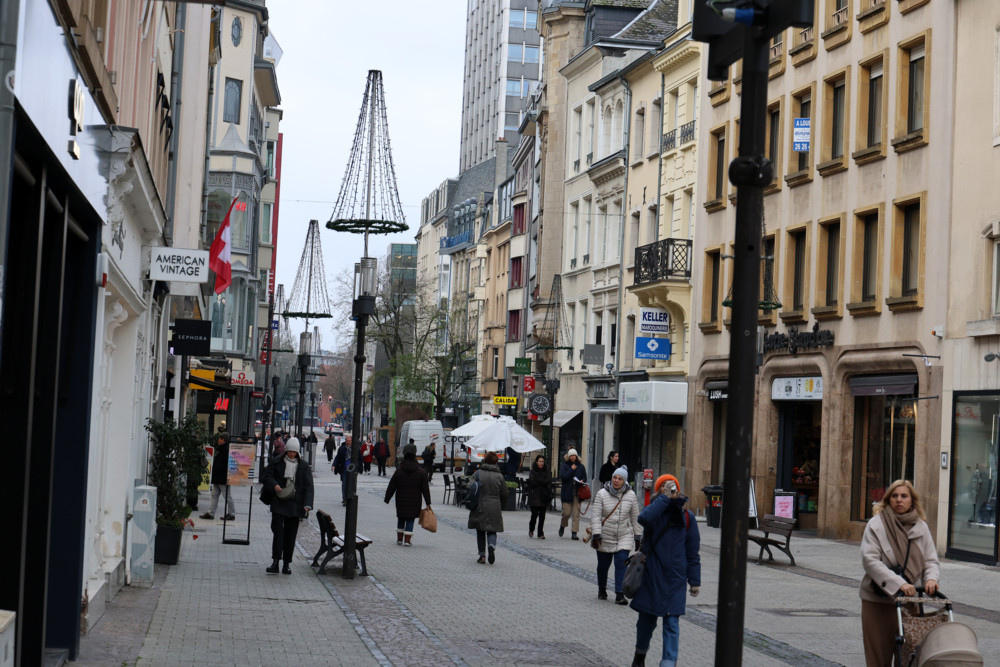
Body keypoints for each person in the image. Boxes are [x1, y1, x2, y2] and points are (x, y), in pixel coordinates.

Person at [860, 479, 940, 667]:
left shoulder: (921, 526)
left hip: (909, 600)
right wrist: (899, 584)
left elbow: (931, 560)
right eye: (894, 496)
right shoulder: (876, 524)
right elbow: (870, 560)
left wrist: (931, 579)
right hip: (879, 600)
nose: (899, 500)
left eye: (904, 496)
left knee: (908, 656)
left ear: (912, 500)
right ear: (888, 499)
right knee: (878, 658)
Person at [629, 474, 701, 667]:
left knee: (671, 624)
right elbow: (643, 518)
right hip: (652, 575)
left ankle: (668, 663)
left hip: (675, 579)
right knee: (646, 621)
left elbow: (692, 552)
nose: (670, 490)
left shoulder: (687, 517)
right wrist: (664, 499)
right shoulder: (654, 512)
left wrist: (695, 581)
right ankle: (640, 654)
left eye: (673, 487)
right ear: (659, 491)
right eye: (665, 487)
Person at [260, 438, 314, 574]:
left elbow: (308, 486)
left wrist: (307, 504)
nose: (291, 454)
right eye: (289, 451)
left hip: (295, 504)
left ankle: (286, 563)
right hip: (279, 501)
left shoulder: (303, 466)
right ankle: (275, 561)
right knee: (278, 532)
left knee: (291, 535)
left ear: (298, 452)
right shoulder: (276, 461)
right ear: (286, 450)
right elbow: (266, 477)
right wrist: (274, 485)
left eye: (294, 452)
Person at [591, 465, 642, 604]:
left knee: (621, 562)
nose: (616, 480)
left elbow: (635, 517)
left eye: (620, 478)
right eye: (615, 477)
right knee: (603, 565)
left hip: (624, 535)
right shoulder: (601, 494)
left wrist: (638, 536)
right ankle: (602, 588)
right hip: (605, 535)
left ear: (624, 481)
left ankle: (620, 594)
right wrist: (596, 534)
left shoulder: (631, 495)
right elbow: (596, 516)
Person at [384, 443, 431, 546]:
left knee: (401, 517)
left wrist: (387, 498)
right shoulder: (421, 472)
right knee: (410, 518)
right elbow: (425, 489)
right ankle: (407, 540)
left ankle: (399, 539)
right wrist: (428, 502)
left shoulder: (399, 471)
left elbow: (392, 486)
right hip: (415, 500)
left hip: (401, 499)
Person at [468, 451, 508, 564]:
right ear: (496, 462)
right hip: (494, 506)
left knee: (480, 530)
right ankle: (491, 545)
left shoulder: (478, 473)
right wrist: (502, 505)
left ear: (485, 460)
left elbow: (470, 486)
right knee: (492, 529)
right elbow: (505, 493)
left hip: (480, 505)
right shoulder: (499, 476)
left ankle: (482, 556)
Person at [200, 431, 236, 521]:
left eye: (219, 438)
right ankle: (211, 513)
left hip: (222, 478)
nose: (218, 440)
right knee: (214, 495)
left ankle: (231, 514)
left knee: (227, 496)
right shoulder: (221, 448)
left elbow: (226, 464)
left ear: (223, 439)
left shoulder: (226, 449)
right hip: (218, 477)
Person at [559, 448, 588, 540]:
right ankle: (563, 525)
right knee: (566, 513)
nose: (572, 457)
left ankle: (574, 532)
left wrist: (582, 480)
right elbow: (564, 477)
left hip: (577, 492)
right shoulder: (565, 466)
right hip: (567, 492)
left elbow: (584, 477)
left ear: (576, 456)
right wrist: (571, 470)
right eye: (571, 455)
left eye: (574, 455)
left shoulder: (581, 466)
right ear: (568, 456)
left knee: (576, 514)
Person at [527, 455, 552, 539]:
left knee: (542, 516)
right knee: (534, 515)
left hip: (543, 496)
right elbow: (532, 482)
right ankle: (531, 529)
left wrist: (538, 479)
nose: (541, 463)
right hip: (534, 496)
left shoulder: (547, 470)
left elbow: (548, 481)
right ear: (536, 462)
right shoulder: (533, 471)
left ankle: (540, 533)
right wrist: (543, 482)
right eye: (540, 461)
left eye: (542, 461)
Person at [333, 436, 351, 505]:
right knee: (344, 484)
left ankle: (350, 498)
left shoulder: (355, 449)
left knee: (351, 485)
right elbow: (337, 458)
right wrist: (334, 465)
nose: (348, 442)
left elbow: (360, 459)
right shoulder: (342, 449)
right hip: (344, 469)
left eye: (349, 441)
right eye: (347, 440)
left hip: (352, 470)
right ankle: (345, 499)